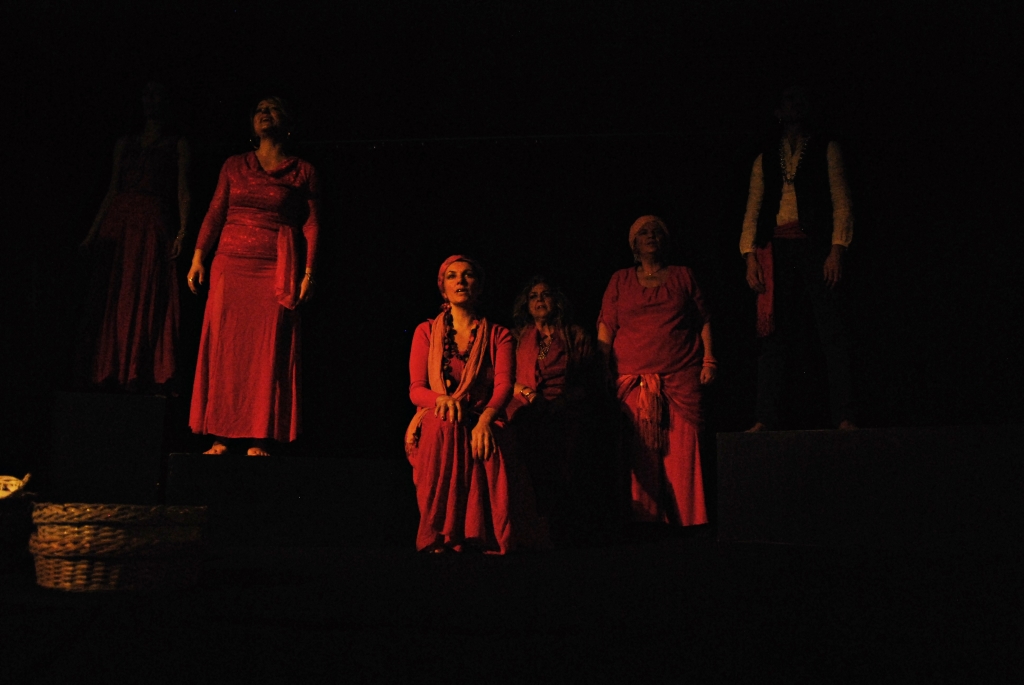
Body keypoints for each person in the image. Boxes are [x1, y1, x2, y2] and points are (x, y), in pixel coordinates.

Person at [187, 97, 320, 456]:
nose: (265, 113)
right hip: (230, 266)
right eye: (259, 109)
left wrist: (308, 273)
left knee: (266, 352)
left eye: (273, 108)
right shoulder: (234, 164)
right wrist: (198, 258)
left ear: (287, 123)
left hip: (274, 268)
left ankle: (260, 436)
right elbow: (216, 211)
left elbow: (311, 224)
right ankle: (220, 435)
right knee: (226, 350)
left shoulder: (302, 171)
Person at [405, 256, 546, 553]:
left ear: (478, 287)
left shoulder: (499, 334)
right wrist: (442, 400)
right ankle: (441, 535)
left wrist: (484, 421)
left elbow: (504, 385)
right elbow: (416, 389)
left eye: (468, 275)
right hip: (440, 414)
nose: (460, 281)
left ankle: (478, 535)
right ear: (443, 288)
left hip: (483, 414)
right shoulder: (426, 331)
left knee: (488, 437)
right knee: (444, 426)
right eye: (452, 276)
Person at [740, 85, 855, 431]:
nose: (795, 105)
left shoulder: (825, 148)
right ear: (777, 111)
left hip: (815, 246)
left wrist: (837, 248)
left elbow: (841, 201)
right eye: (788, 100)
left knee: (831, 331)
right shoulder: (766, 157)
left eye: (800, 99)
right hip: (776, 248)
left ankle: (844, 415)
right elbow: (753, 209)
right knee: (773, 337)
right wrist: (749, 256)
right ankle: (765, 418)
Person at [597, 216, 715, 527]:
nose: (651, 236)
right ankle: (646, 520)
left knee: (683, 452)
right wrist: (603, 367)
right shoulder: (620, 280)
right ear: (633, 245)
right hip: (632, 381)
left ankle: (688, 520)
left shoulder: (682, 275)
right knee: (642, 453)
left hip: (679, 376)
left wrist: (709, 359)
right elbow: (606, 327)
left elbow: (703, 319)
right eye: (643, 233)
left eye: (656, 232)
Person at [77, 82, 190, 393]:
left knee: (143, 293)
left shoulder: (176, 144)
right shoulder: (125, 143)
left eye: (157, 95)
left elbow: (182, 189)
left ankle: (138, 369)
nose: (150, 101)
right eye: (146, 95)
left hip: (152, 222)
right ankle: (108, 367)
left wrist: (183, 230)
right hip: (120, 222)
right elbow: (112, 189)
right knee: (116, 295)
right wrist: (91, 235)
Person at [506, 276, 598, 541]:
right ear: (526, 304)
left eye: (545, 295)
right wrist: (528, 394)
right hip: (525, 407)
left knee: (566, 452)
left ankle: (564, 527)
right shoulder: (516, 338)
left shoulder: (574, 335)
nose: (539, 300)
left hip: (566, 408)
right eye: (533, 296)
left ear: (556, 301)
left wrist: (562, 402)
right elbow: (504, 379)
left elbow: (587, 381)